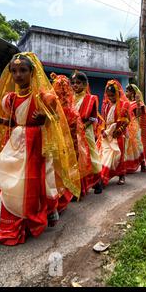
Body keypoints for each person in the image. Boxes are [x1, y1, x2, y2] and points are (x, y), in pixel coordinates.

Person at [0, 52, 80, 245]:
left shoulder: (44, 98)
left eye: (23, 70)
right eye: (14, 71)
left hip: (36, 143)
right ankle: (11, 224)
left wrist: (45, 119)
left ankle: (34, 218)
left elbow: (57, 121)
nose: (18, 75)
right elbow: (12, 122)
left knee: (34, 182)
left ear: (32, 72)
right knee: (12, 181)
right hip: (16, 143)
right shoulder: (10, 99)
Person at [51, 73, 92, 206]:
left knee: (71, 165)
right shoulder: (53, 107)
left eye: (63, 90)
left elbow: (75, 129)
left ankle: (73, 191)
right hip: (58, 142)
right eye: (58, 89)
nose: (61, 93)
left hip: (70, 143)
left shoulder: (71, 109)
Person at [71, 71, 103, 194]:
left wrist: (83, 126)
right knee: (76, 157)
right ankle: (80, 187)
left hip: (86, 132)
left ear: (85, 84)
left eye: (78, 83)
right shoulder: (70, 98)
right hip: (73, 132)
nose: (75, 85)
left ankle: (97, 182)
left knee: (90, 155)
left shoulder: (91, 99)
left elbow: (93, 118)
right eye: (73, 83)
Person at [99, 80, 130, 186]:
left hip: (117, 134)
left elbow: (127, 120)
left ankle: (121, 176)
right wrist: (102, 129)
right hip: (107, 134)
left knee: (119, 156)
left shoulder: (123, 104)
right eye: (109, 96)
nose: (110, 98)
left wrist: (119, 130)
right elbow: (103, 120)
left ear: (118, 94)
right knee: (106, 156)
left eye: (112, 95)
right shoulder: (106, 105)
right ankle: (103, 177)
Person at [125, 84, 146, 172]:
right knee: (130, 147)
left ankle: (142, 164)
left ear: (132, 93)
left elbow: (138, 115)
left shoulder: (139, 103)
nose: (125, 93)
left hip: (136, 127)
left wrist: (137, 103)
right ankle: (128, 165)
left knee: (138, 146)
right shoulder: (127, 102)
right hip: (128, 126)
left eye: (127, 91)